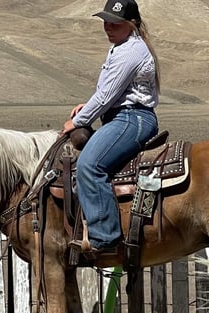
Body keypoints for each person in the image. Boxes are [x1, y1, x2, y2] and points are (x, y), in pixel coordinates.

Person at [62, 0, 160, 255]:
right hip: (123, 116)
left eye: (115, 22)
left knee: (89, 165)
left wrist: (78, 121)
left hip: (132, 119)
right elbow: (111, 93)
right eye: (106, 21)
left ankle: (105, 240)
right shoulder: (122, 46)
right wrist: (87, 107)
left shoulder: (130, 51)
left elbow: (106, 97)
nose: (108, 26)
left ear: (132, 23)